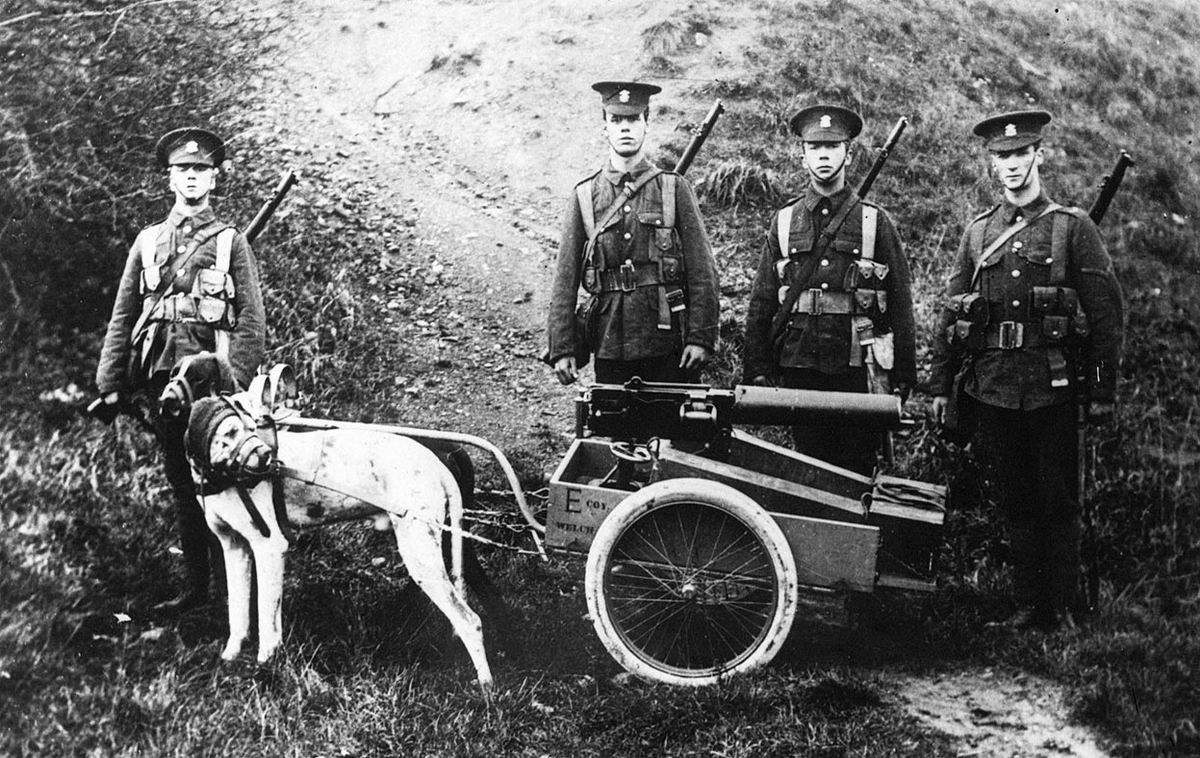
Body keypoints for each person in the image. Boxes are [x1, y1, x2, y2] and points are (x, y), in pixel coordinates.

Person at [929, 110, 1125, 631]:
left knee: (1057, 498)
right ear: (991, 165)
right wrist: (941, 384)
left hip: (1052, 386)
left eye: (1020, 154)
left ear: (1040, 155)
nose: (1012, 165)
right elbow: (952, 312)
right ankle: (1025, 603)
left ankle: (1058, 607)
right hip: (994, 386)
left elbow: (1106, 316)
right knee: (1015, 497)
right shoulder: (978, 233)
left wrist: (1101, 392)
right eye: (1002, 157)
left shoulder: (1071, 228)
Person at [94, 127, 266, 615]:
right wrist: (109, 382)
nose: (191, 178)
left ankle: (235, 597)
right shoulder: (148, 241)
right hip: (161, 380)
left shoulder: (230, 242)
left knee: (224, 481)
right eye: (182, 170)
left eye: (200, 170)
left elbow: (252, 319)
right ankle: (196, 591)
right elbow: (123, 315)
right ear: (169, 178)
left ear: (214, 179)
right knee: (182, 483)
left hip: (211, 385)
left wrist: (235, 381)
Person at [742, 105, 916, 475]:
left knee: (857, 468)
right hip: (799, 363)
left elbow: (900, 299)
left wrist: (904, 373)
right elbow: (762, 298)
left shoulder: (873, 221)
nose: (823, 155)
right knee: (806, 467)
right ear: (802, 155)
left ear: (848, 155)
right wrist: (757, 365)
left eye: (833, 147)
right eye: (815, 147)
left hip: (856, 366)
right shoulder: (785, 221)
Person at [546, 80, 719, 386]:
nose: (625, 127)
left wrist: (700, 338)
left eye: (633, 119)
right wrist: (562, 348)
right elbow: (565, 279)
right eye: (616, 120)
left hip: (669, 346)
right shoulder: (585, 196)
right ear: (605, 128)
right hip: (609, 344)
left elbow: (702, 271)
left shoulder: (673, 188)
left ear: (646, 124)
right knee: (610, 417)